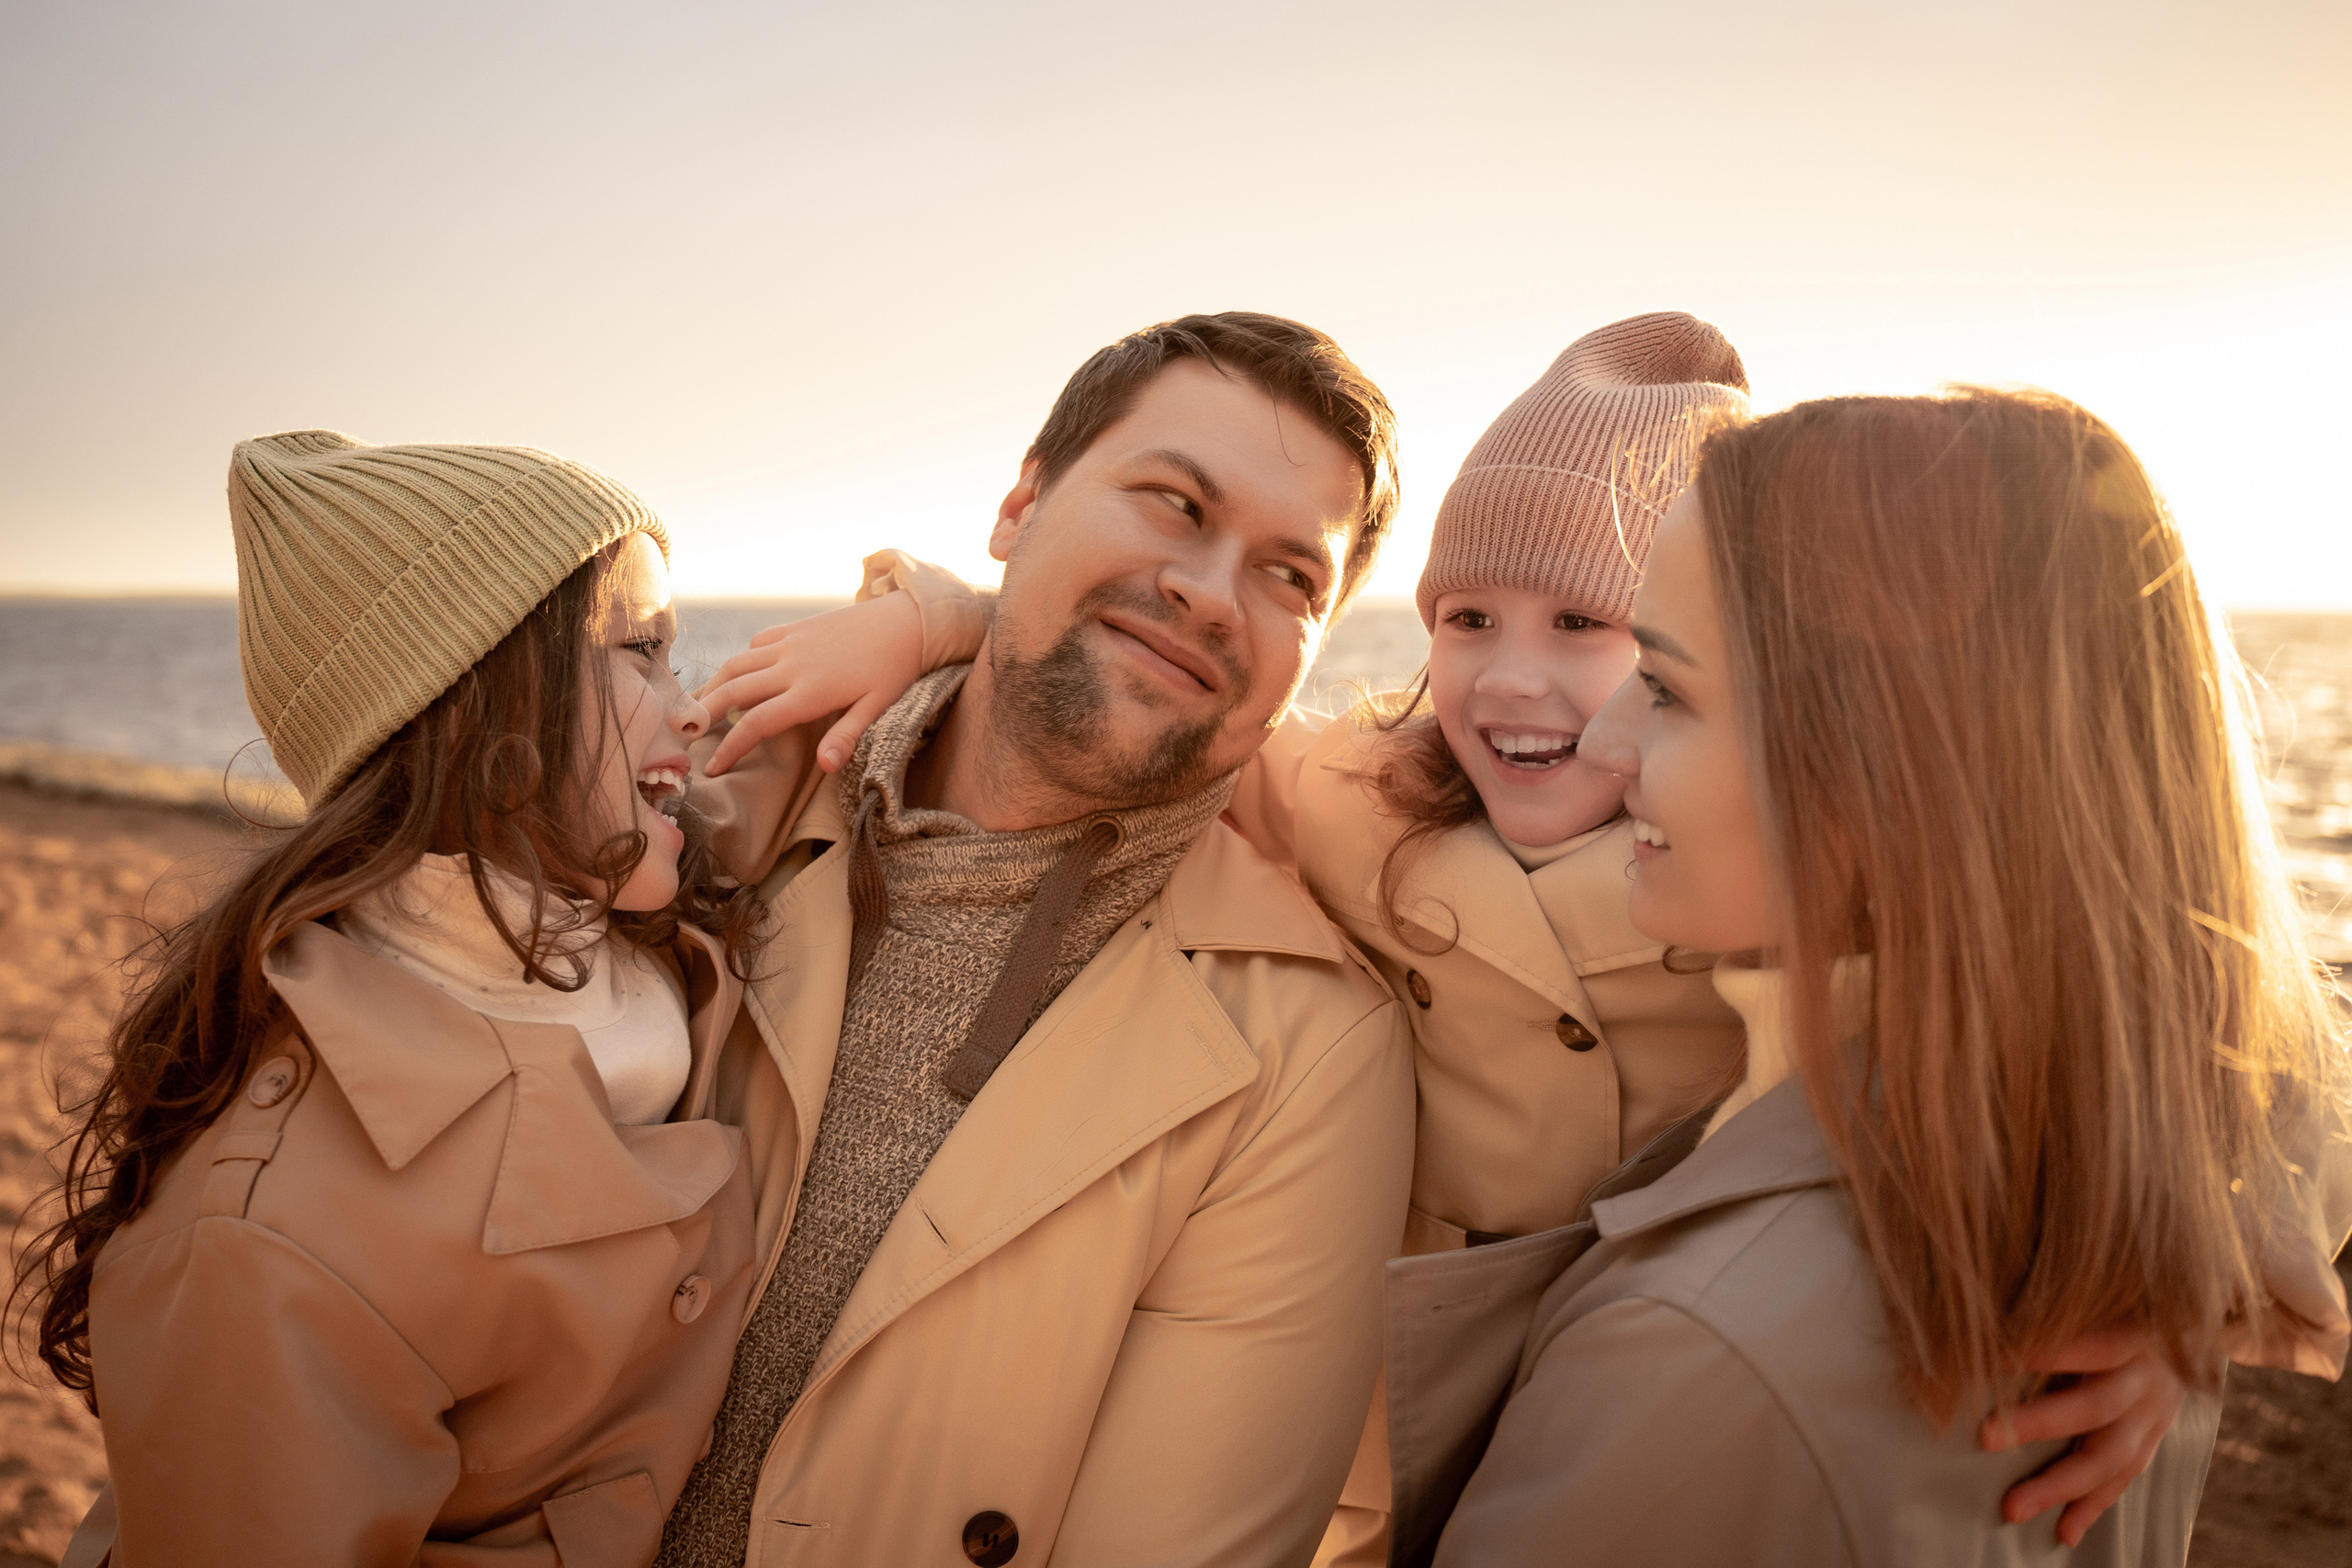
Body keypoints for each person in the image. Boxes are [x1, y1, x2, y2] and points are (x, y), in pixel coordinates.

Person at [1382, 389, 2352, 1566]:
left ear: (1889, 762)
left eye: (1668, 687)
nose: (1600, 741)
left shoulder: (1694, 1358)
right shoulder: (2143, 1155)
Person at [652, 311, 1419, 1566]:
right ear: (1021, 501)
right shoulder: (723, 797)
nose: (1210, 592)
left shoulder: (1306, 1053)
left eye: (1292, 575)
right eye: (1174, 503)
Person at [18, 433, 853, 1563]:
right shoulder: (267, 1242)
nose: (692, 708)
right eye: (644, 651)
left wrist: (935, 618)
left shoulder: (632, 894)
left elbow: (864, 734)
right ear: (480, 709)